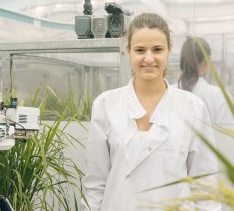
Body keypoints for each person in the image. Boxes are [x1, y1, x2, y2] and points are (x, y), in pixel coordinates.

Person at [82, 13, 221, 210]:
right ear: (128, 51)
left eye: (157, 49)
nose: (149, 58)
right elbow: (95, 184)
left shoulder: (192, 108)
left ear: (169, 50)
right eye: (140, 50)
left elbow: (205, 184)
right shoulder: (106, 105)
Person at [177, 37, 234, 124]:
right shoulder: (221, 96)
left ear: (182, 61)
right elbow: (225, 135)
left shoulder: (166, 93)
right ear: (206, 60)